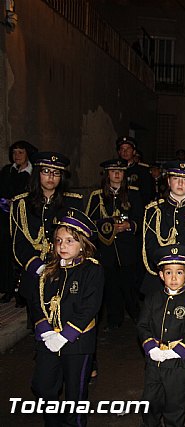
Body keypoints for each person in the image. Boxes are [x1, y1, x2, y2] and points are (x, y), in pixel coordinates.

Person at [141, 160, 185, 381]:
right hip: (161, 275)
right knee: (158, 319)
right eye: (175, 178)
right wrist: (164, 272)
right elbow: (149, 245)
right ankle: (157, 355)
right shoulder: (154, 209)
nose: (180, 183)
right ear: (168, 181)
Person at [31, 208, 104, 427]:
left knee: (76, 393)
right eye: (59, 240)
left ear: (82, 243)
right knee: (43, 386)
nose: (63, 246)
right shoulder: (48, 271)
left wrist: (65, 335)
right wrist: (45, 331)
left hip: (77, 342)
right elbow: (36, 301)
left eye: (70, 241)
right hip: (48, 340)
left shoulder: (91, 270)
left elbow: (90, 307)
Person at [10, 152, 84, 316]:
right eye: (46, 171)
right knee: (40, 327)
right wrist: (39, 267)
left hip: (66, 272)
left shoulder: (74, 202)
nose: (51, 177)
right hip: (35, 274)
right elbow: (19, 244)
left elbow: (82, 240)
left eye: (56, 172)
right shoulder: (21, 204)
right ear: (38, 174)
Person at [138, 244, 185, 427]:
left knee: (175, 404)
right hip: (154, 361)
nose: (174, 278)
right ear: (160, 275)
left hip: (177, 363)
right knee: (150, 402)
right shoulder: (152, 298)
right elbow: (142, 325)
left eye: (179, 273)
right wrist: (151, 347)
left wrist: (177, 351)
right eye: (168, 273)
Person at [86, 158, 143, 330]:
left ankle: (136, 315)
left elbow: (141, 219)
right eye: (113, 171)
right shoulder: (98, 196)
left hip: (127, 248)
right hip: (107, 249)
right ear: (107, 174)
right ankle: (114, 319)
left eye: (120, 171)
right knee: (111, 286)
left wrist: (129, 225)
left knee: (130, 284)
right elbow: (90, 222)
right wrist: (108, 227)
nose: (117, 174)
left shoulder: (133, 193)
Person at [0, 140, 37, 304]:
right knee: (6, 254)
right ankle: (8, 289)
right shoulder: (7, 171)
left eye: (20, 152)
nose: (17, 156)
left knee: (22, 254)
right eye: (14, 153)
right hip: (5, 218)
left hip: (24, 219)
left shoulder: (33, 173)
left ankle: (22, 293)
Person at [117, 136, 153, 204]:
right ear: (119, 152)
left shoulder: (142, 170)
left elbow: (147, 194)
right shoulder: (114, 170)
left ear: (134, 152)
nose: (125, 151)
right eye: (122, 149)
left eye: (128, 149)